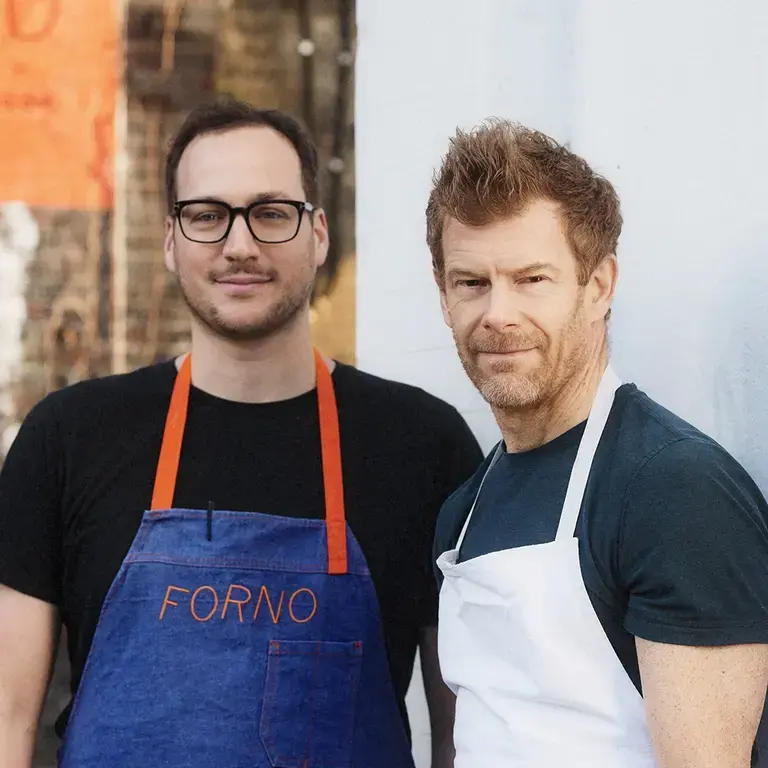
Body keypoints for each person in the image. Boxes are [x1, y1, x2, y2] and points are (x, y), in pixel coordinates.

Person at [0, 97, 482, 768]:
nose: (240, 245)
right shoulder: (67, 438)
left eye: (271, 213)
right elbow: (6, 728)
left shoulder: (425, 445)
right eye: (207, 216)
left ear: (318, 235)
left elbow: (468, 739)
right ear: (170, 241)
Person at [426, 119, 768, 767]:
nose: (497, 313)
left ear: (599, 285)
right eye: (471, 282)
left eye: (531, 279)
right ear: (444, 297)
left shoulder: (673, 489)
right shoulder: (464, 511)